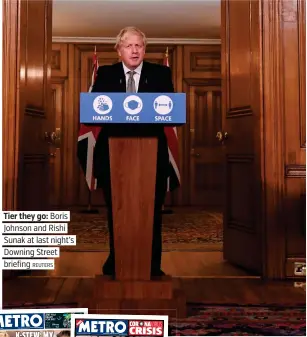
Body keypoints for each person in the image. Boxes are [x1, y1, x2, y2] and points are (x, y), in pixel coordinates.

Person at [91, 26, 174, 278]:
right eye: (129, 45)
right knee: (117, 212)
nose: (134, 50)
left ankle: (151, 266)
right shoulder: (105, 74)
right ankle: (117, 262)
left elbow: (169, 108)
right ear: (119, 50)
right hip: (113, 155)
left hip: (151, 155)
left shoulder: (160, 73)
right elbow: (95, 107)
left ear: (144, 49)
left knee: (151, 212)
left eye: (139, 45)